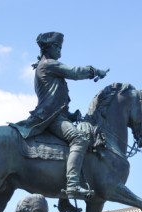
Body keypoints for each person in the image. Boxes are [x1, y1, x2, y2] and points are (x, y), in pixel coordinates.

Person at [14, 32, 108, 200]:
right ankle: (72, 184)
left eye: (60, 47)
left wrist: (70, 115)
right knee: (79, 139)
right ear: (47, 48)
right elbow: (75, 72)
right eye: (57, 47)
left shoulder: (45, 66)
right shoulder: (48, 64)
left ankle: (64, 198)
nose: (59, 51)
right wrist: (94, 71)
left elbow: (53, 99)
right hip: (50, 118)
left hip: (55, 115)